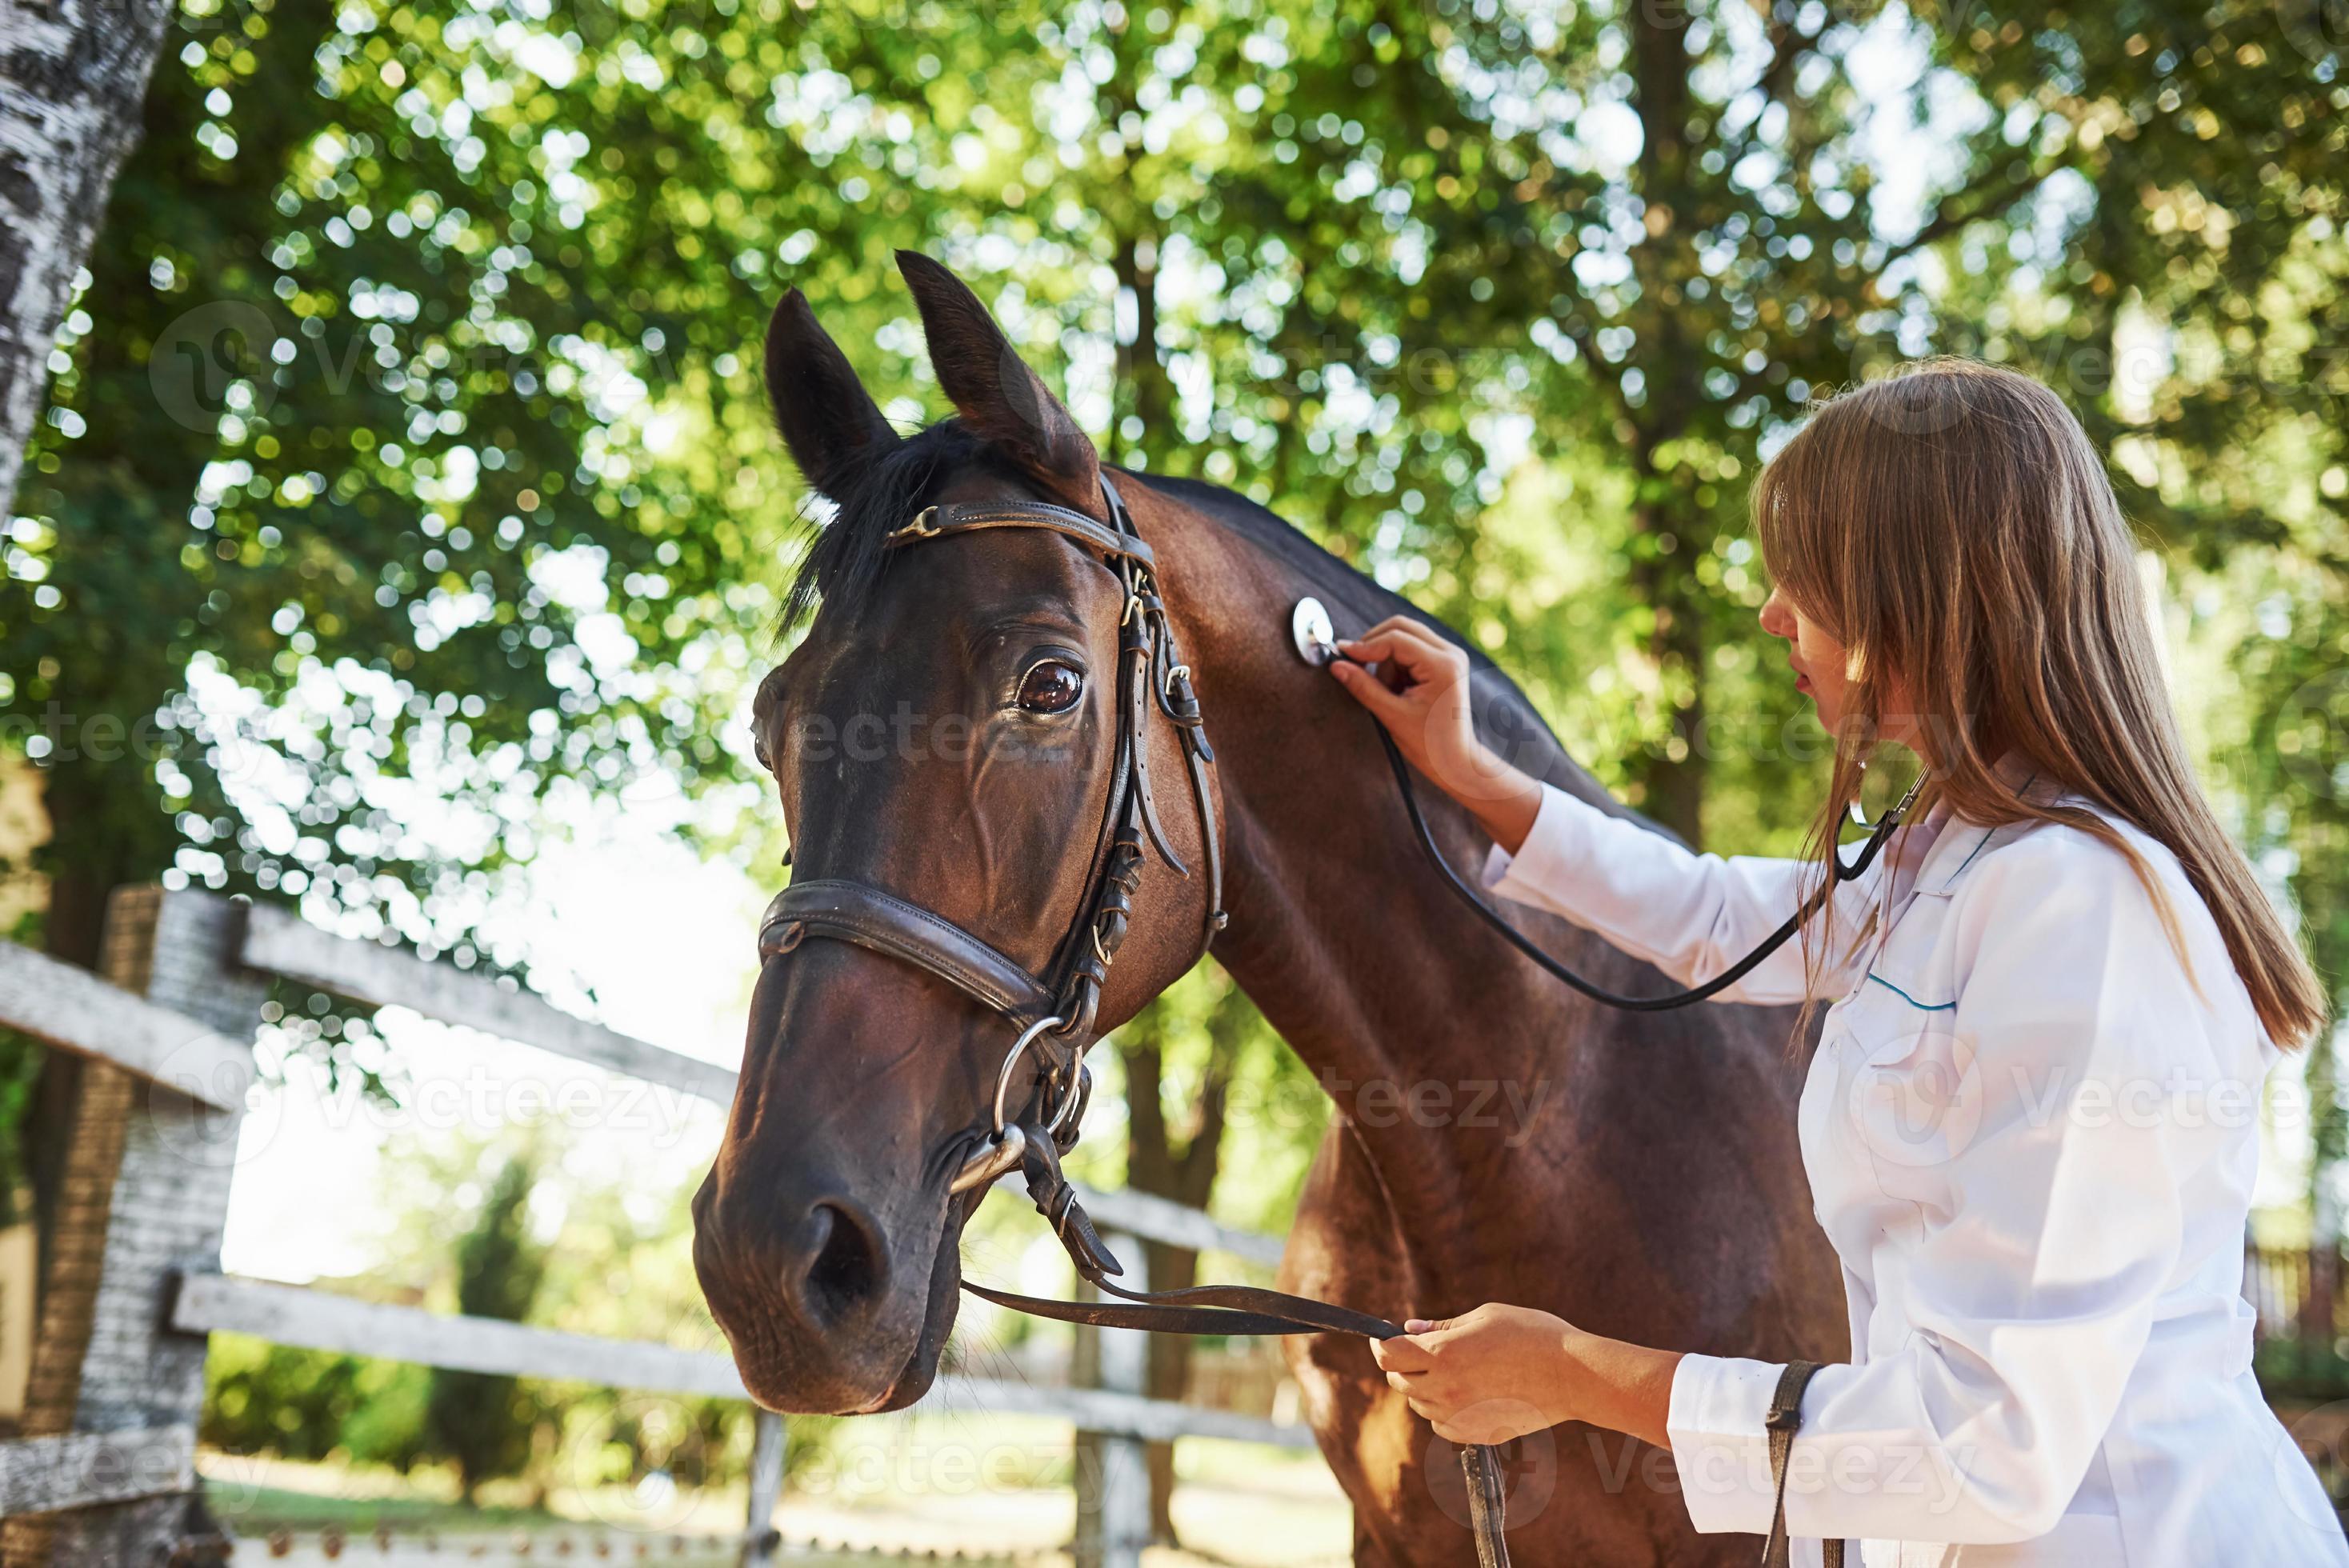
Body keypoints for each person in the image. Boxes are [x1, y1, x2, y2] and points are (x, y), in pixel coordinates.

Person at [1334, 360, 2347, 1565]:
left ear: (1921, 596)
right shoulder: (1953, 853)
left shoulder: (2084, 909)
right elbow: (1722, 916)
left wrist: (1573, 1375)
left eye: (1803, 578)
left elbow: (1988, 1451)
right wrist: (1477, 776)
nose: (1771, 615)